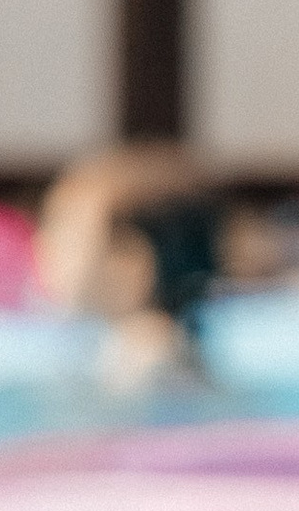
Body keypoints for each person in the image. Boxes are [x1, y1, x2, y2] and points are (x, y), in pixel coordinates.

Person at [35, 141, 228, 394]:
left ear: (130, 264)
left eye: (65, 236)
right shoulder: (168, 351)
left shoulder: (146, 360)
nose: (40, 247)